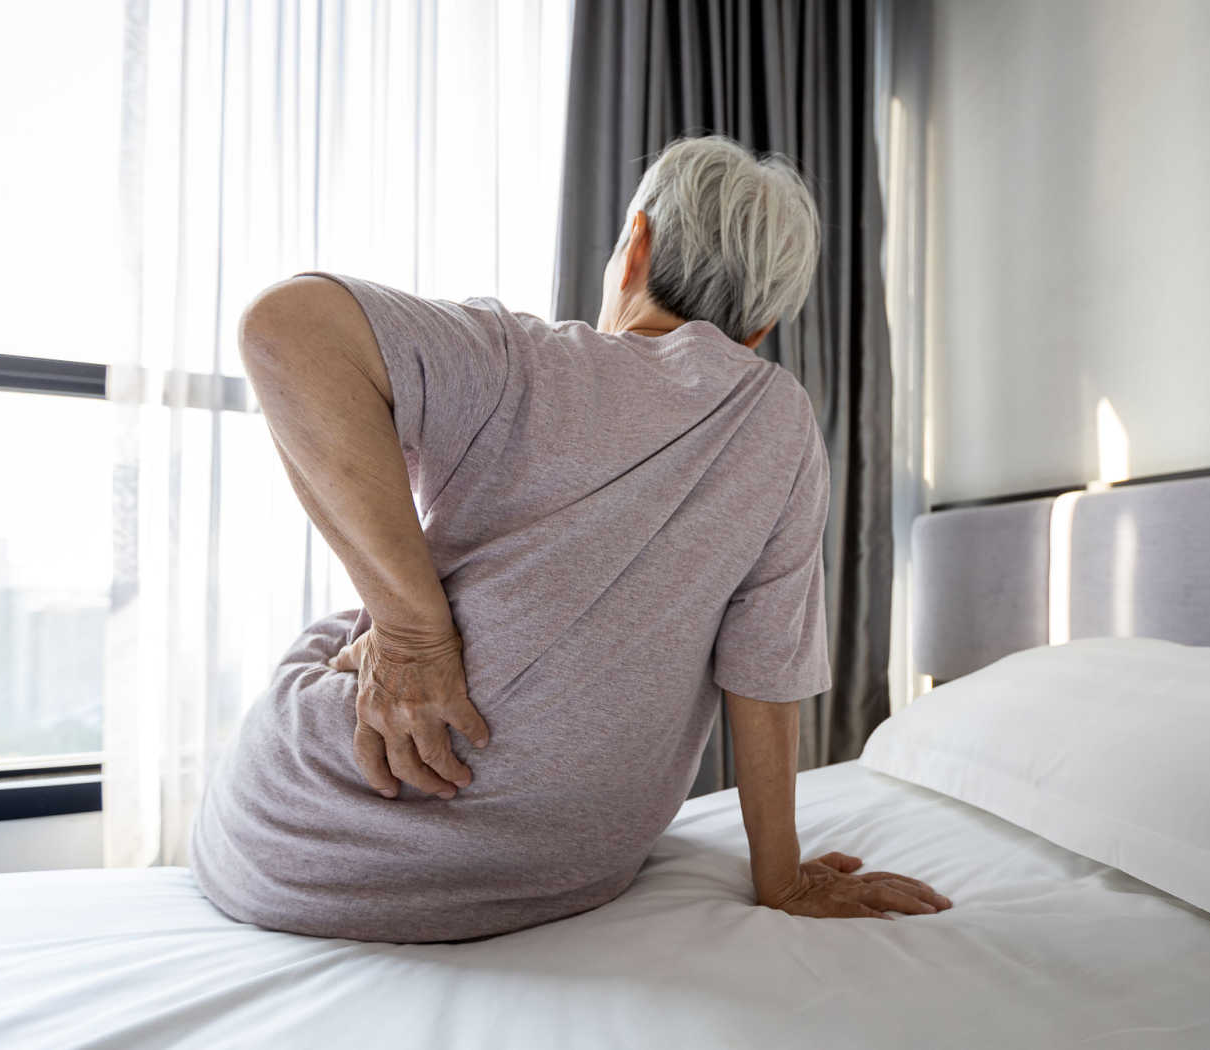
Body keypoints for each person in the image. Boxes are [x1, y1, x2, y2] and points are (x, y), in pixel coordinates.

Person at [188, 134, 950, 942]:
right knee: (359, 627)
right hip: (563, 867)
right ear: (760, 328)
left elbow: (284, 324)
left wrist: (412, 632)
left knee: (340, 635)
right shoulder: (781, 423)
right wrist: (782, 877)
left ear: (636, 245)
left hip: (292, 855)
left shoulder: (523, 360)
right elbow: (766, 670)